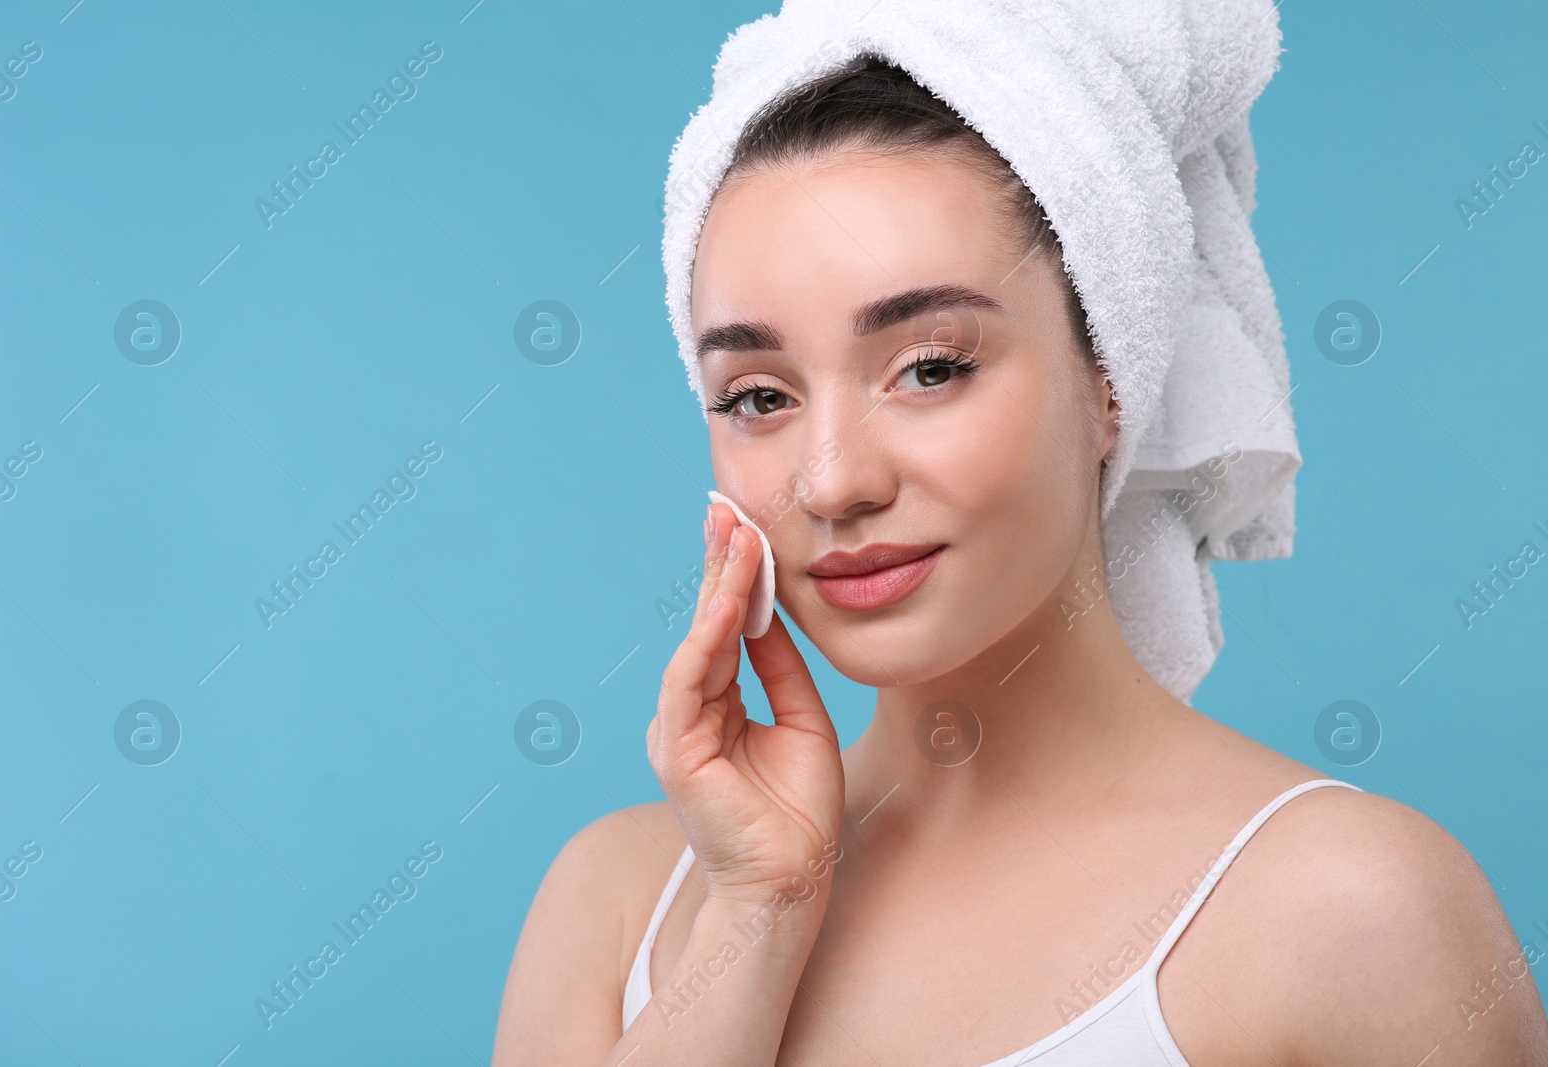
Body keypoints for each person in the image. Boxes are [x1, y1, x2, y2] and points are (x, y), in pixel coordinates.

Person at [493, 52, 1548, 1067]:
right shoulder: (623, 898)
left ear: (1109, 380)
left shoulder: (1346, 907)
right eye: (758, 396)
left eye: (929, 367)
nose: (832, 481)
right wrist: (757, 912)